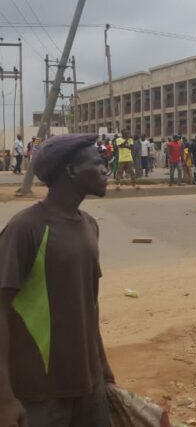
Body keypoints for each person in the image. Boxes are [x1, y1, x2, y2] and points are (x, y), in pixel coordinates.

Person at [0, 134, 115, 427]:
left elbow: (90, 304)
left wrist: (103, 370)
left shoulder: (89, 225)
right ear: (71, 170)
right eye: (98, 163)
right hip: (40, 394)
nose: (106, 170)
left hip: (90, 386)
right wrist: (5, 399)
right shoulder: (26, 228)